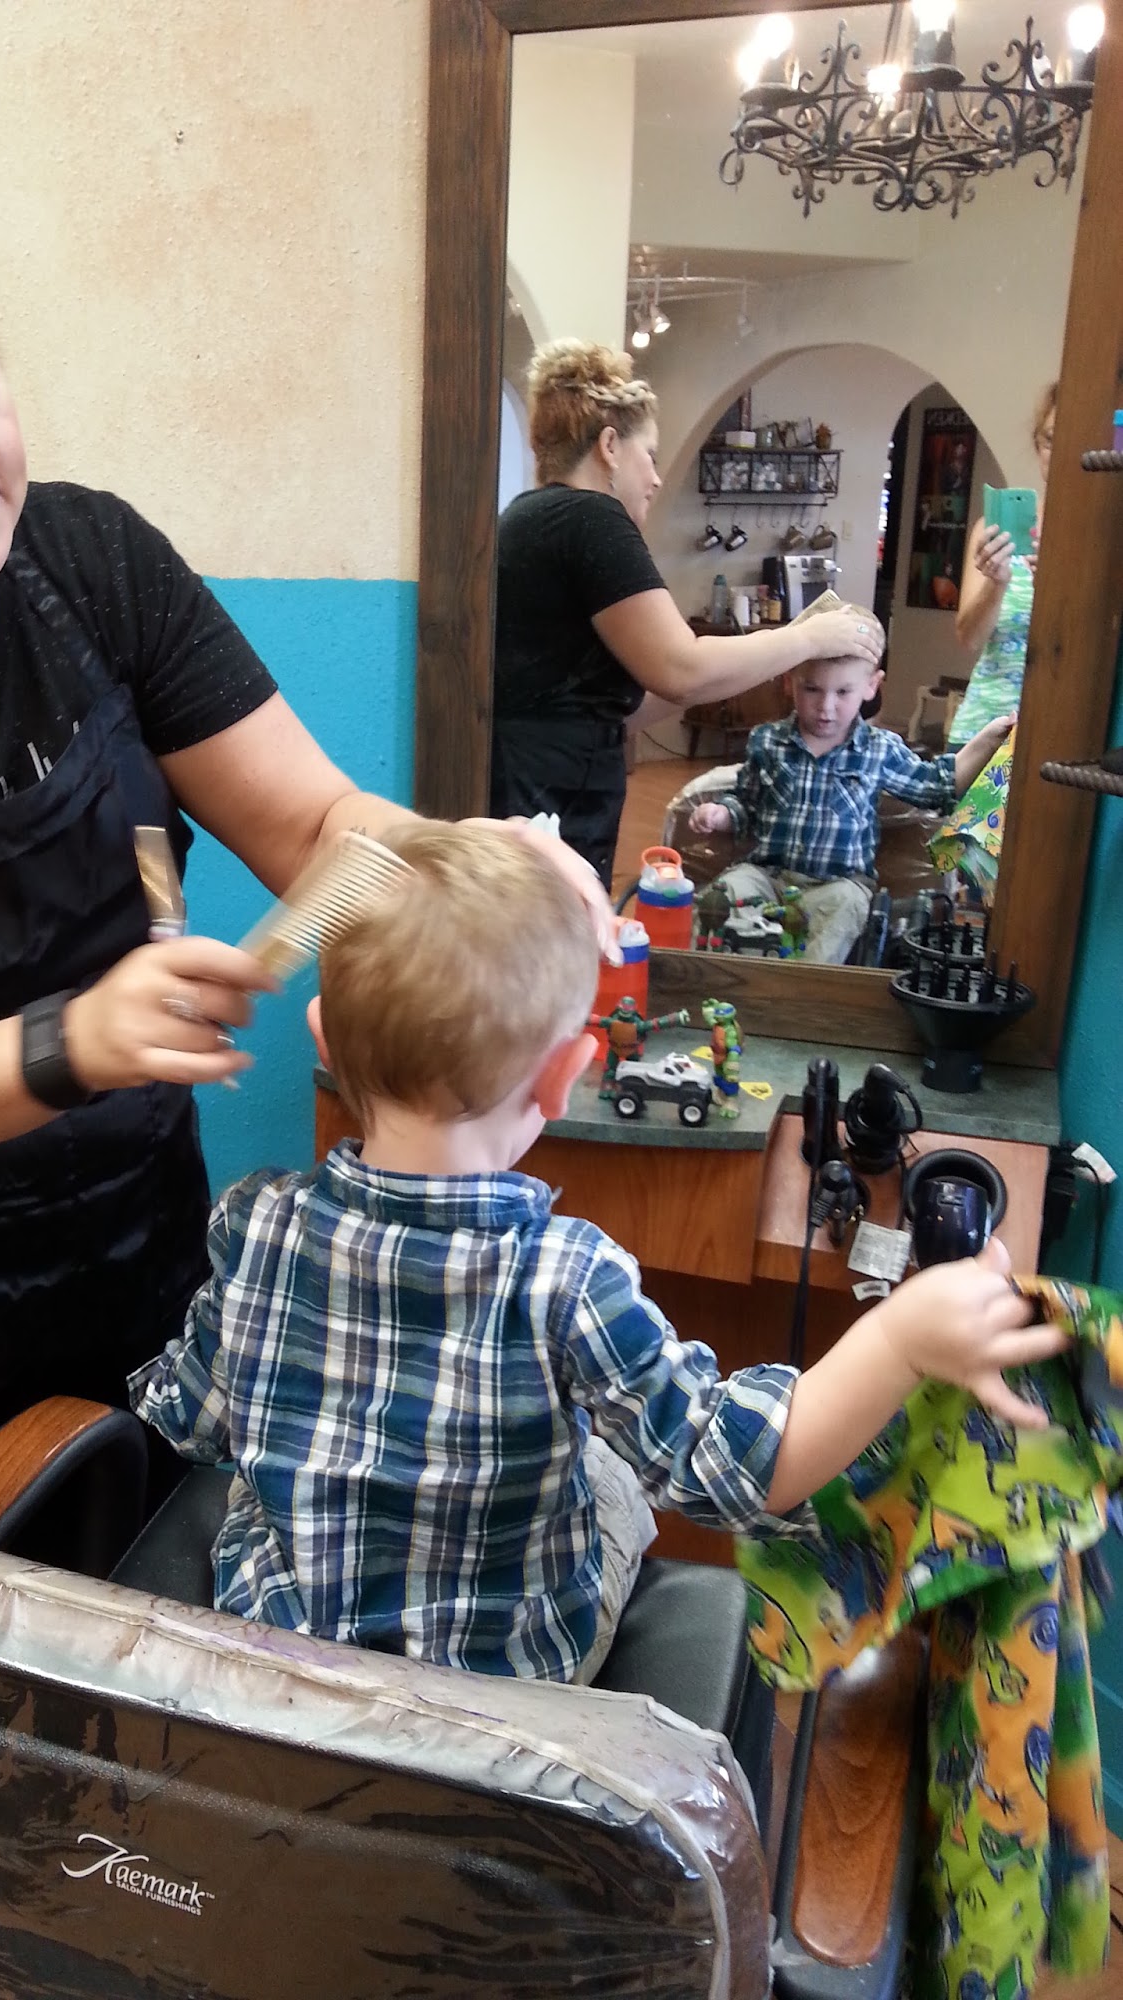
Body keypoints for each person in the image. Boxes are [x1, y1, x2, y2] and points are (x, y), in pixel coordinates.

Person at [0, 57, 607, 1573]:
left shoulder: (95, 569)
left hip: (146, 1280)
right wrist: (68, 1043)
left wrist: (462, 858)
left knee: (154, 1667)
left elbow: (316, 834)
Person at [131, 824, 1061, 1683]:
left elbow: (193, 1421)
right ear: (565, 1078)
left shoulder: (252, 1222)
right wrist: (900, 1340)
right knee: (617, 1480)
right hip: (493, 1699)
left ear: (324, 1039)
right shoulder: (568, 1280)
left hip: (284, 1677)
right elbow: (739, 1471)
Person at [490, 339, 884, 883]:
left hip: (533, 787)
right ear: (610, 445)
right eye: (650, 455)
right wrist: (809, 638)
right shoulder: (590, 519)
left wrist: (759, 660)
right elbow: (681, 669)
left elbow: (618, 708)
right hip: (550, 798)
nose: (656, 478)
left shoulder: (530, 517)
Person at [688, 603, 1014, 963]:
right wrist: (722, 814)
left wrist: (990, 738)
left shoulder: (878, 749)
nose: (826, 706)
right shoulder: (767, 741)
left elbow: (938, 785)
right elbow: (745, 803)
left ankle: (803, 983)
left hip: (837, 885)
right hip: (767, 876)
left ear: (871, 686)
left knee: (846, 907)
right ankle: (730, 974)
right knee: (722, 895)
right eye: (812, 689)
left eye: (843, 692)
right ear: (789, 682)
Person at [946, 382, 1054, 749]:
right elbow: (969, 638)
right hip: (983, 731)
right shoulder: (995, 527)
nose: (1058, 452)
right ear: (1037, 445)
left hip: (1060, 735)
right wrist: (997, 584)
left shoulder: (1102, 536)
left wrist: (1055, 591)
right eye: (1049, 439)